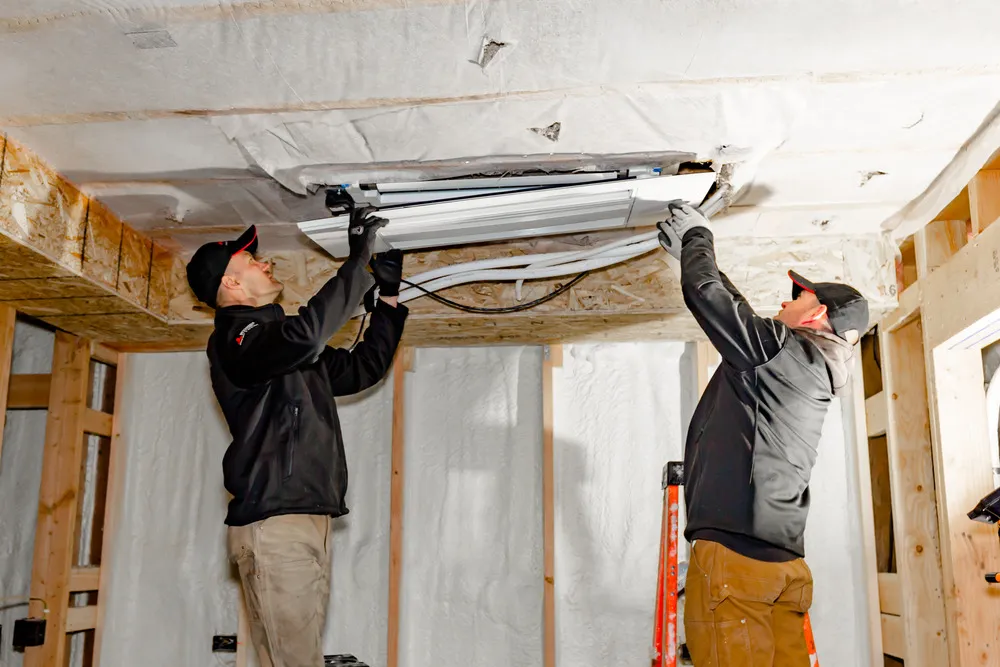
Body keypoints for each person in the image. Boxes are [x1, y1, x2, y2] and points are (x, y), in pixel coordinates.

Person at [185, 209, 408, 667]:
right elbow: (304, 335)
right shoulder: (237, 340)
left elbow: (361, 368)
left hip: (302, 520)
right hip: (276, 525)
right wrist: (356, 263)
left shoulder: (282, 350)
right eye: (252, 262)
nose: (266, 264)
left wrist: (386, 298)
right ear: (231, 285)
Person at [657, 203, 868, 667]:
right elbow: (740, 316)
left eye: (797, 299)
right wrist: (695, 254)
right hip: (783, 567)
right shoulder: (807, 369)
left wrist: (698, 238)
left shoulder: (780, 351)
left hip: (737, 562)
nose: (784, 304)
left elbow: (707, 295)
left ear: (816, 317)